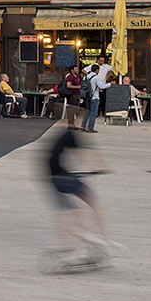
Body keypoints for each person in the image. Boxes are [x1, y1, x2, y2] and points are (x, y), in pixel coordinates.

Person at [44, 105, 109, 272]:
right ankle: (103, 242)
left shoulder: (61, 135)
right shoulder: (71, 135)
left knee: (65, 212)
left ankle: (67, 247)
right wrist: (101, 168)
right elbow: (86, 154)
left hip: (52, 177)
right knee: (93, 204)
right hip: (61, 177)